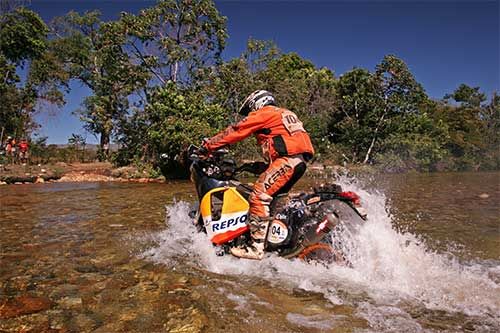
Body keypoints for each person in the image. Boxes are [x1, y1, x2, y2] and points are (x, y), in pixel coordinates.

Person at [203, 90, 315, 259]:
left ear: (258, 102)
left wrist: (209, 146)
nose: (250, 113)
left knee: (258, 196)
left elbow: (236, 130)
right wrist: (254, 167)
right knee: (276, 200)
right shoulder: (284, 114)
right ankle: (277, 241)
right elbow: (286, 144)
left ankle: (256, 247)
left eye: (250, 110)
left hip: (288, 160)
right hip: (299, 161)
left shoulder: (266, 113)